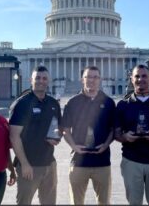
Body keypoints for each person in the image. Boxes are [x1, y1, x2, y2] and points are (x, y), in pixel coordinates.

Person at [114, 64, 149, 205]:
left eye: (144, 76)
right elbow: (116, 132)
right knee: (134, 202)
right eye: (137, 76)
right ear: (131, 79)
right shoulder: (123, 105)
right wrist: (124, 137)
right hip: (131, 160)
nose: (140, 79)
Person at [61, 66, 116, 205]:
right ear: (82, 79)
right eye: (88, 77)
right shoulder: (72, 102)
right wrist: (73, 146)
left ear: (100, 80)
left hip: (102, 161)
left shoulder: (108, 102)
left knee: (104, 202)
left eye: (95, 77)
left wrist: (106, 144)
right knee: (77, 202)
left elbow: (113, 129)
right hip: (78, 161)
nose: (92, 80)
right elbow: (65, 128)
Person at [9, 66, 62, 205]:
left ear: (48, 81)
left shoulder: (53, 103)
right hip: (29, 166)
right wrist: (25, 164)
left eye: (44, 78)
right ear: (30, 80)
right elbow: (14, 136)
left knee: (49, 202)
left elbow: (57, 127)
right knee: (24, 202)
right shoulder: (22, 104)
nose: (41, 81)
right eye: (37, 78)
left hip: (49, 163)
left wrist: (56, 137)